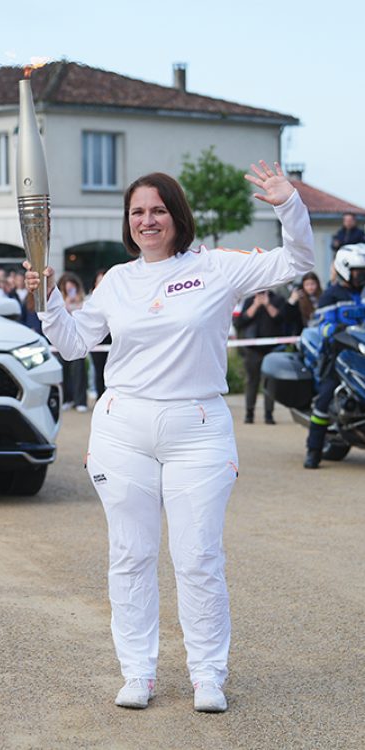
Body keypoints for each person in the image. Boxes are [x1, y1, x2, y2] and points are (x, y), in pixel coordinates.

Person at [24, 162, 314, 713]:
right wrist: (48, 300)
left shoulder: (216, 268)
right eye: (137, 212)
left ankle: (208, 675)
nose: (147, 220)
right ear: (127, 222)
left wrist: (287, 204)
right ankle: (139, 671)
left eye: (158, 210)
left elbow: (298, 261)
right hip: (123, 428)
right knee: (130, 555)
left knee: (198, 556)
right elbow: (72, 344)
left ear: (176, 215)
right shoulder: (116, 281)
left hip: (197, 430)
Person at [303, 244, 365, 468]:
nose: (361, 276)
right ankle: (313, 450)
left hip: (360, 350)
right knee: (325, 398)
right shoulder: (330, 295)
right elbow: (323, 326)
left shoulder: (363, 293)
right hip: (336, 354)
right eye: (358, 272)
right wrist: (335, 329)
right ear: (344, 269)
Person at [234, 288, 286, 424]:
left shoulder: (277, 299)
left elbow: (281, 319)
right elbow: (239, 322)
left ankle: (269, 414)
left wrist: (268, 304)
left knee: (270, 383)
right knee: (252, 381)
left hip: (272, 349)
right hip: (252, 350)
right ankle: (249, 413)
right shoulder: (249, 300)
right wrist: (256, 305)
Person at [57, 272, 88, 412]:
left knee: (79, 370)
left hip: (79, 341)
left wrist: (76, 303)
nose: (70, 292)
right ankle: (66, 399)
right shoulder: (59, 302)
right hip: (62, 340)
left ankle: (80, 400)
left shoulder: (84, 301)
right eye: (67, 289)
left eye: (72, 288)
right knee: (63, 370)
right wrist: (67, 304)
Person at [89, 269, 111, 399]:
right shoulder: (91, 299)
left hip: (112, 338)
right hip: (97, 340)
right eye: (99, 281)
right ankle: (99, 397)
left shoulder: (117, 298)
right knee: (98, 370)